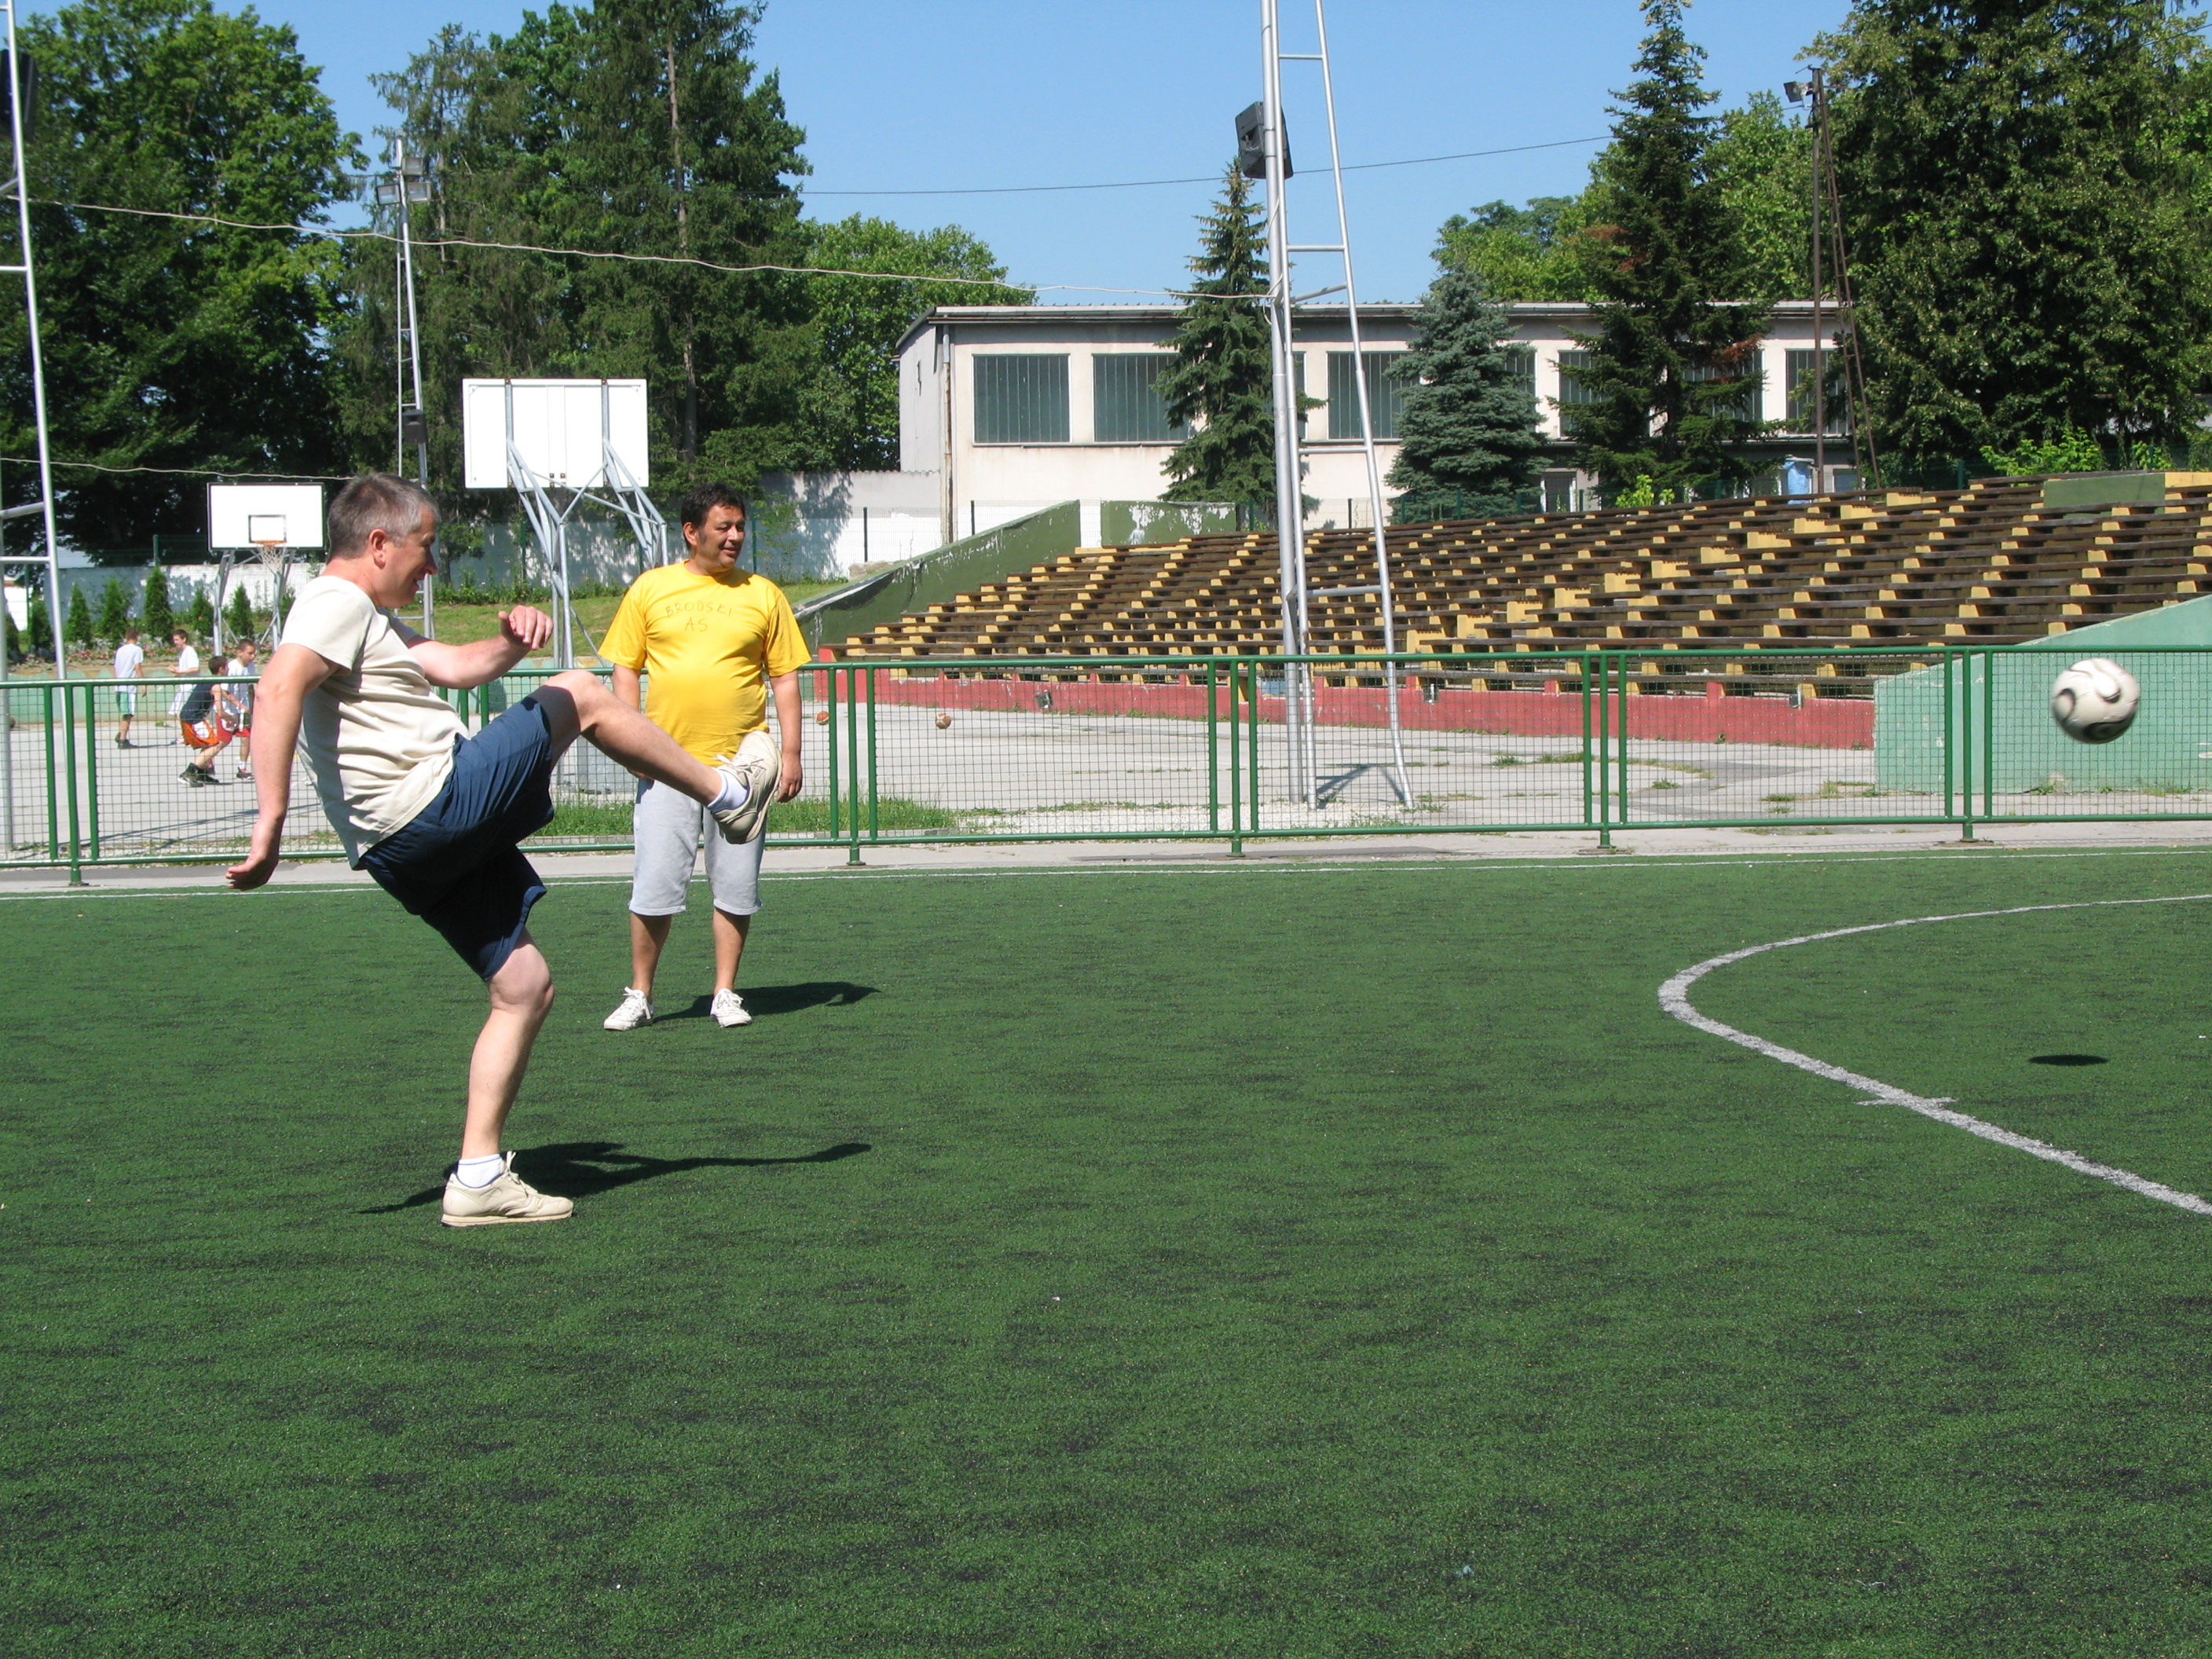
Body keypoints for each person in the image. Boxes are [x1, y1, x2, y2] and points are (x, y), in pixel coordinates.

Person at [225, 473, 780, 1228]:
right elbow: (276, 687)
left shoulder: (368, 617)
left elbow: (456, 667)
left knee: (524, 986)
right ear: (379, 543)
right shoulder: (335, 601)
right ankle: (727, 795)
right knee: (580, 692)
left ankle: (479, 1177)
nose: (432, 567)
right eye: (425, 548)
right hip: (433, 805)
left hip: (397, 848)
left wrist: (510, 644)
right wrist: (270, 822)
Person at [597, 484, 807, 1033]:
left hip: (743, 769)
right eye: (723, 527)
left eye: (740, 526)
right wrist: (631, 739)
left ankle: (725, 993)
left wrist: (790, 753)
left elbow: (785, 677)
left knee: (736, 886)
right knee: (654, 885)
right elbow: (625, 668)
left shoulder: (764, 594)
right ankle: (640, 994)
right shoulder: (650, 588)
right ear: (692, 532)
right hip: (666, 764)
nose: (735, 536)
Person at [177, 654, 235, 786]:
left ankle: (201, 773)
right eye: (227, 667)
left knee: (208, 744)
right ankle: (188, 773)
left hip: (188, 715)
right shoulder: (215, 686)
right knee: (216, 744)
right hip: (194, 717)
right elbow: (220, 712)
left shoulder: (207, 680)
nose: (228, 670)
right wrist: (232, 719)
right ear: (221, 669)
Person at [225, 638, 259, 779]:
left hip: (244, 710)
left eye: (254, 653)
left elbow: (251, 688)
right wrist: (239, 705)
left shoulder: (251, 667)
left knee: (246, 737)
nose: (253, 656)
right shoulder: (231, 667)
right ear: (240, 652)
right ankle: (205, 765)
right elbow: (224, 691)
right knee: (221, 742)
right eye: (250, 653)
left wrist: (254, 706)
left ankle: (242, 768)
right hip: (228, 710)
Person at [112, 626, 142, 747]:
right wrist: (143, 684)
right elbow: (137, 667)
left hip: (119, 685)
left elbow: (115, 668)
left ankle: (121, 734)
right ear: (137, 637)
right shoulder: (137, 650)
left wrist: (115, 683)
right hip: (129, 687)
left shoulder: (120, 650)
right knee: (128, 713)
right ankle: (122, 739)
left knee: (126, 712)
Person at [167, 629, 200, 720]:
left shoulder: (190, 651)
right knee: (179, 713)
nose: (175, 642)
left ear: (184, 639)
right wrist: (176, 669)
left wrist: (179, 672)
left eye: (177, 640)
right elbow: (185, 669)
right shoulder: (182, 652)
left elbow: (195, 669)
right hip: (184, 687)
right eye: (174, 640)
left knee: (181, 713)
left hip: (189, 687)